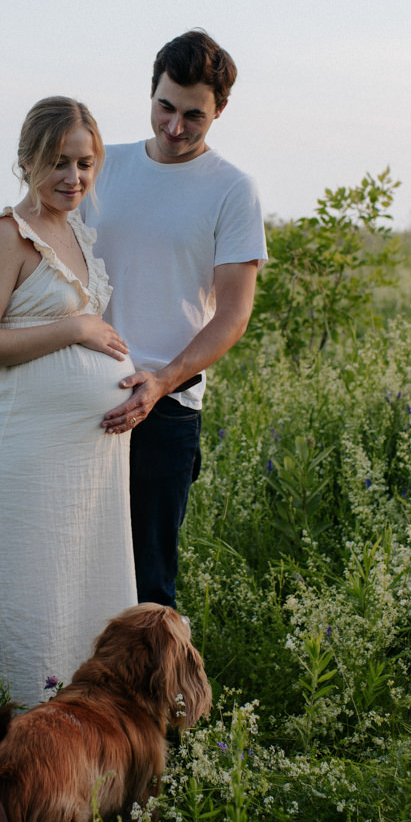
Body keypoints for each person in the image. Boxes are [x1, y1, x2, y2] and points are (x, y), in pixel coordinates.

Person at [0, 97, 138, 707]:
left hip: (83, 466)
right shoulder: (6, 235)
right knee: (26, 603)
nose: (74, 178)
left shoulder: (78, 231)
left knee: (73, 598)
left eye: (85, 164)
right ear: (27, 159)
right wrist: (76, 330)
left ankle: (74, 743)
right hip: (23, 455)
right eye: (59, 162)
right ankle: (6, 742)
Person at [85, 30, 267, 608]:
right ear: (152, 90)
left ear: (220, 111)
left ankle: (145, 701)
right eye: (166, 107)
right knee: (71, 566)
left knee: (146, 586)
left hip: (164, 409)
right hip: (82, 394)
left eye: (195, 115)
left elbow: (233, 315)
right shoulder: (100, 167)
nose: (175, 127)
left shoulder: (233, 191)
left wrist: (161, 382)